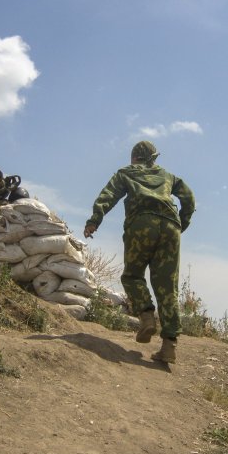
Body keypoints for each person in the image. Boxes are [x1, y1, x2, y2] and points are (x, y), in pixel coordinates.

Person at [83, 141, 195, 363]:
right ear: (154, 158)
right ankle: (169, 346)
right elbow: (189, 199)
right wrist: (181, 223)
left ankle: (146, 317)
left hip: (141, 224)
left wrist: (94, 220)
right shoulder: (169, 177)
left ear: (134, 158)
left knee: (133, 276)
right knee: (167, 286)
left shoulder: (127, 173)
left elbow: (108, 195)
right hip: (171, 228)